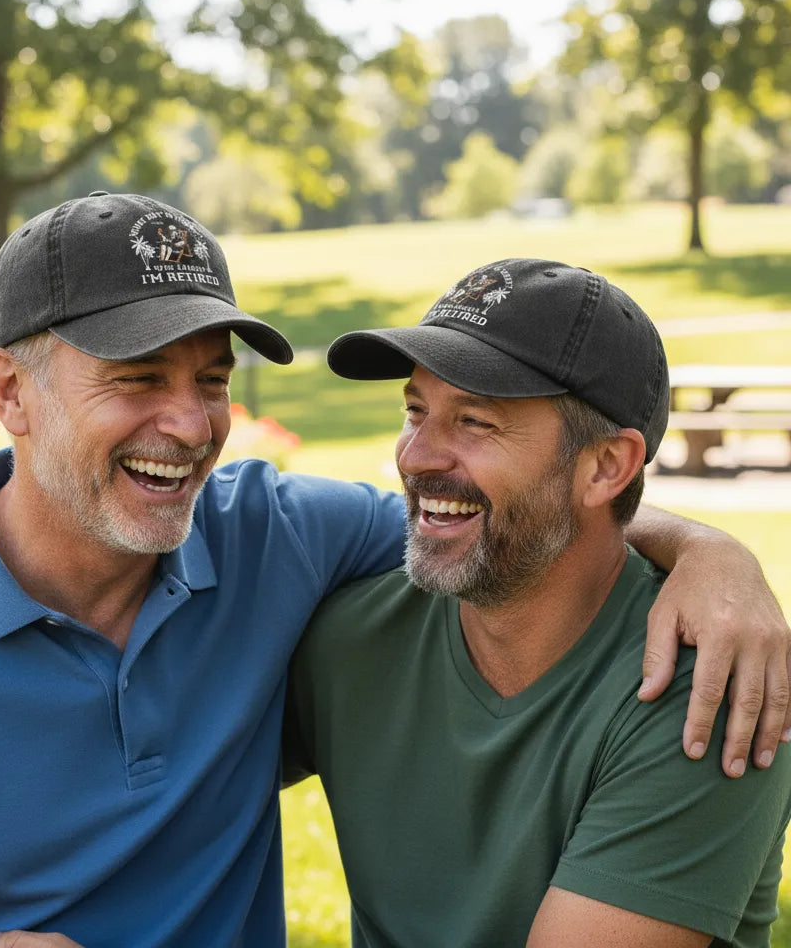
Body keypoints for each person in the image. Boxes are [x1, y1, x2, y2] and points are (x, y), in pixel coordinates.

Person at [0, 197, 784, 948]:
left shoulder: (280, 546)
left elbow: (509, 528)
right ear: (9, 392)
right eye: (136, 379)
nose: (189, 423)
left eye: (212, 380)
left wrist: (710, 553)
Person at [283, 258, 791, 946]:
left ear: (606, 467)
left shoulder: (700, 695)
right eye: (415, 410)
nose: (416, 456)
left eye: (475, 422)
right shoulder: (353, 640)